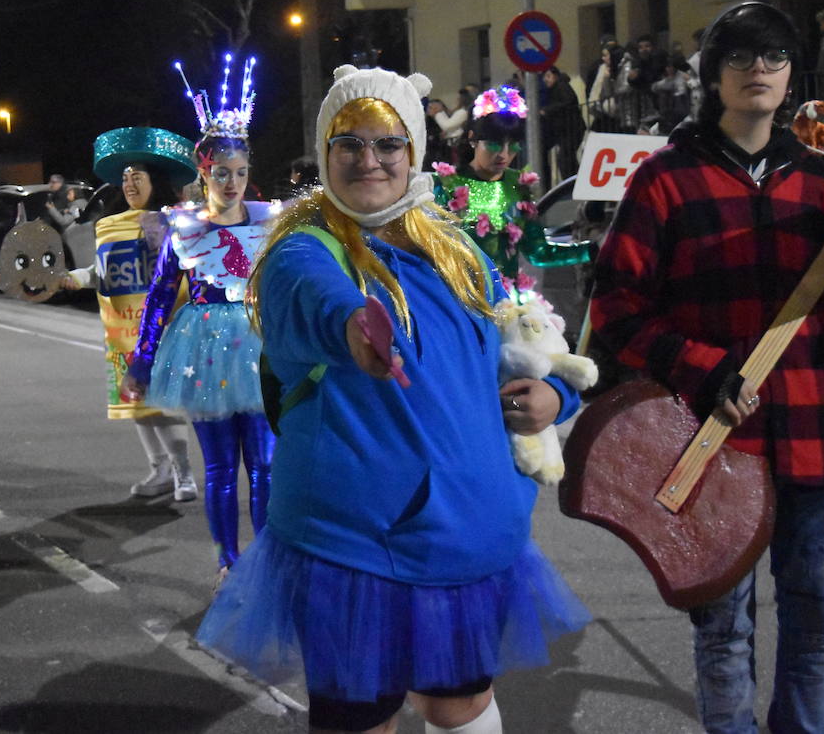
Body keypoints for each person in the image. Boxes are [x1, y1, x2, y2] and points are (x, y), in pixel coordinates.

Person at [197, 64, 590, 734]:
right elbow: (314, 297)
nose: (368, 160)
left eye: (388, 144)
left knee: (459, 705)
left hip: (468, 534)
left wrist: (555, 396)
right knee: (363, 720)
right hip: (357, 547)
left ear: (413, 152)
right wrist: (354, 326)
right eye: (349, 143)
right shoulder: (303, 247)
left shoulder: (456, 247)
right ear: (326, 153)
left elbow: (526, 335)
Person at [591, 1, 824, 734]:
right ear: (714, 74)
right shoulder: (664, 180)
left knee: (817, 626)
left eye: (774, 58)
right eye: (741, 58)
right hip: (713, 444)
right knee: (724, 634)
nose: (759, 72)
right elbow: (616, 309)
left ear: (790, 74)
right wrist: (705, 370)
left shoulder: (819, 184)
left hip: (816, 440)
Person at [121, 64, 278, 579]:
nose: (231, 183)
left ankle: (267, 560)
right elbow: (161, 297)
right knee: (219, 469)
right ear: (203, 174)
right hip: (205, 352)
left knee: (266, 465)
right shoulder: (184, 231)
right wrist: (141, 362)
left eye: (239, 173)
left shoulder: (269, 224)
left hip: (258, 349)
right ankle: (228, 563)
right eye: (220, 173)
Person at [65, 126, 199, 501]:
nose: (129, 185)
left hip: (162, 330)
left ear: (155, 181)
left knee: (163, 403)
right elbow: (99, 274)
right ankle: (158, 469)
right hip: (121, 333)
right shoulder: (108, 227)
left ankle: (184, 473)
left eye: (137, 177)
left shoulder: (174, 222)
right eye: (124, 179)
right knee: (137, 404)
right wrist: (69, 280)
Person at [432, 85, 591, 283]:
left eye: (513, 144)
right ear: (472, 139)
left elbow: (538, 252)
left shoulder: (517, 186)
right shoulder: (444, 184)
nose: (504, 155)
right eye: (494, 143)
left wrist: (593, 250)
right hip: (456, 303)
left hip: (507, 305)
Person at [538, 65, 584, 181]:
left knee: (565, 158)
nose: (546, 79)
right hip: (568, 129)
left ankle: (573, 183)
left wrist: (548, 110)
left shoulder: (561, 86)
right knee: (567, 158)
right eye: (545, 77)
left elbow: (568, 101)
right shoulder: (556, 89)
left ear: (555, 76)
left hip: (571, 128)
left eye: (548, 76)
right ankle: (575, 182)